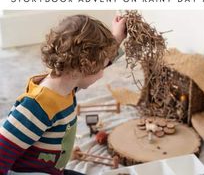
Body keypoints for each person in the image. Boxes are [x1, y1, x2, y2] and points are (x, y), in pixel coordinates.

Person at [0, 14, 126, 175]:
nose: (102, 73)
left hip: (51, 169)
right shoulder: (36, 106)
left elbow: (100, 61)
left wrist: (117, 37)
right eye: (103, 66)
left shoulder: (65, 84)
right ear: (87, 66)